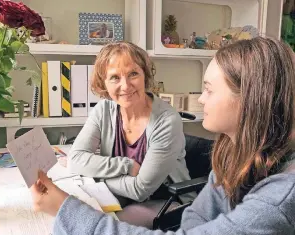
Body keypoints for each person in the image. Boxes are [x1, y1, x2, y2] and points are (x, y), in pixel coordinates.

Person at [31, 37, 295, 234]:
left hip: (161, 199)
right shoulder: (233, 154)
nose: (200, 99)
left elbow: (142, 189)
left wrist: (68, 208)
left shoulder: (279, 199)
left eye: (209, 90)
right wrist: (121, 169)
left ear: (251, 100)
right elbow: (197, 220)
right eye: (114, 78)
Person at [62, 41, 192, 227]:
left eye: (133, 74)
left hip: (167, 200)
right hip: (119, 195)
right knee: (72, 214)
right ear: (104, 84)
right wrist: (126, 165)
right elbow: (75, 159)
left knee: (98, 226)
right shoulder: (104, 110)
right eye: (114, 77)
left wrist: (95, 176)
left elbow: (141, 190)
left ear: (145, 75)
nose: (125, 86)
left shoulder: (167, 121)